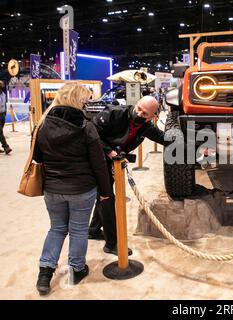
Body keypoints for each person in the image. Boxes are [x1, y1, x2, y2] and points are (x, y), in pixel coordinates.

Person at [33, 82, 113, 296]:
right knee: (77, 229)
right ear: (78, 101)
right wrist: (105, 191)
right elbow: (99, 164)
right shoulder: (86, 126)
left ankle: (44, 273)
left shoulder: (42, 124)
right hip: (81, 189)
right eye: (85, 100)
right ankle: (77, 270)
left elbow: (37, 158)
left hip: (52, 188)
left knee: (56, 228)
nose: (87, 104)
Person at [89, 95, 168, 256]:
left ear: (152, 117)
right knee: (107, 198)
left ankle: (93, 230)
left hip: (113, 160)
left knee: (104, 196)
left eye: (145, 114)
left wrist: (196, 142)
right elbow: (91, 133)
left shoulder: (145, 126)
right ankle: (111, 244)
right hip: (95, 158)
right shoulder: (114, 113)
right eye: (139, 109)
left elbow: (164, 138)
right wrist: (110, 152)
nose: (139, 114)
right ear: (136, 104)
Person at [0, 80, 12, 155]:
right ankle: (6, 147)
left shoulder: (3, 94)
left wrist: (5, 113)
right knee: (0, 132)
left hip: (2, 115)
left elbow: (4, 104)